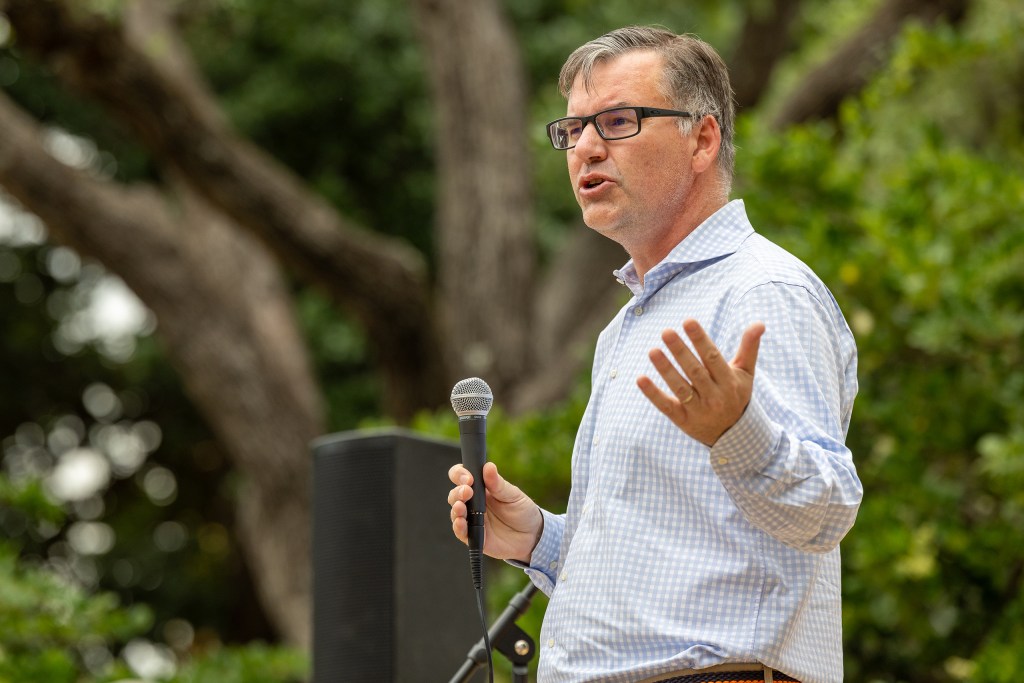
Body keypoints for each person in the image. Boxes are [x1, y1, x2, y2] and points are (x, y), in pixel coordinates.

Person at [447, 25, 861, 683]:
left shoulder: (763, 290)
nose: (584, 147)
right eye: (574, 129)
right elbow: (659, 580)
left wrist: (739, 432)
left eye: (616, 121)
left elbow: (828, 511)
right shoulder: (625, 327)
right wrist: (535, 539)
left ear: (702, 138)